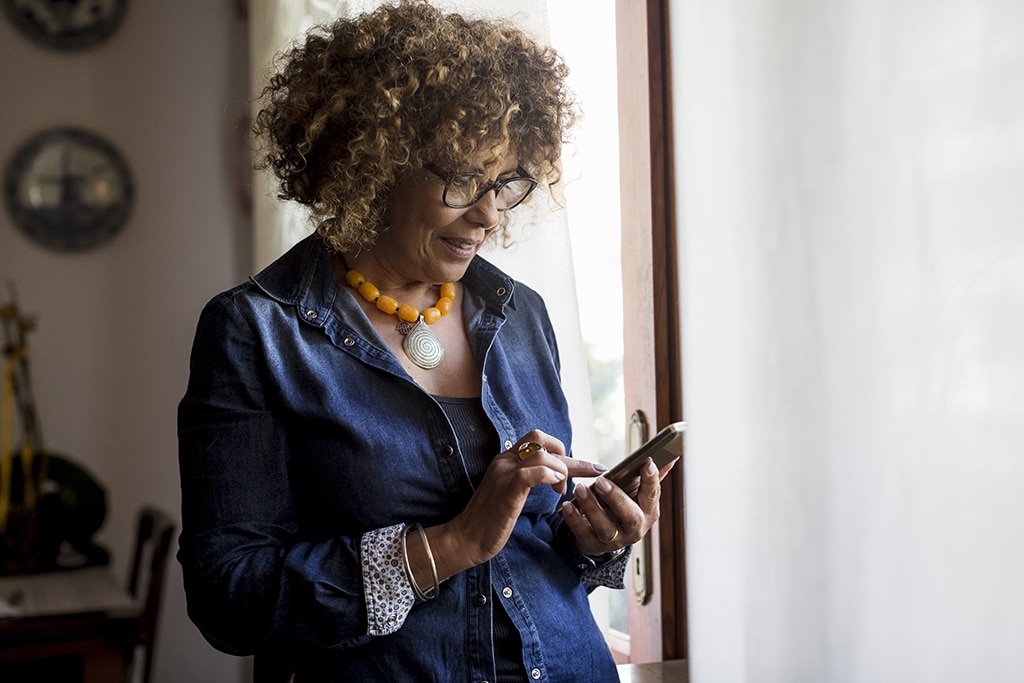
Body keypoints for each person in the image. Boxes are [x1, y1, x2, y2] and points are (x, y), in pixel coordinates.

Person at [177, 1, 672, 680]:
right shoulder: (257, 332)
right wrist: (451, 542)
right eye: (464, 179)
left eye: (505, 183)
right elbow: (228, 596)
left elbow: (525, 562)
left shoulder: (518, 312)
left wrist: (595, 541)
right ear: (371, 164)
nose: (488, 214)